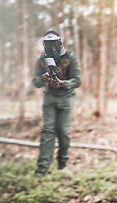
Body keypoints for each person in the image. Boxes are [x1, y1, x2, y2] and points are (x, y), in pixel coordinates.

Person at [32, 30, 81, 174]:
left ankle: (62, 162)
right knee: (47, 131)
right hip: (50, 97)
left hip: (66, 97)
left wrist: (64, 84)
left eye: (54, 44)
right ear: (44, 45)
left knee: (63, 132)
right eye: (48, 45)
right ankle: (43, 166)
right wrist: (43, 78)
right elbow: (35, 82)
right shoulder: (41, 59)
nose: (51, 48)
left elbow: (77, 81)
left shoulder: (70, 57)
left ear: (59, 44)